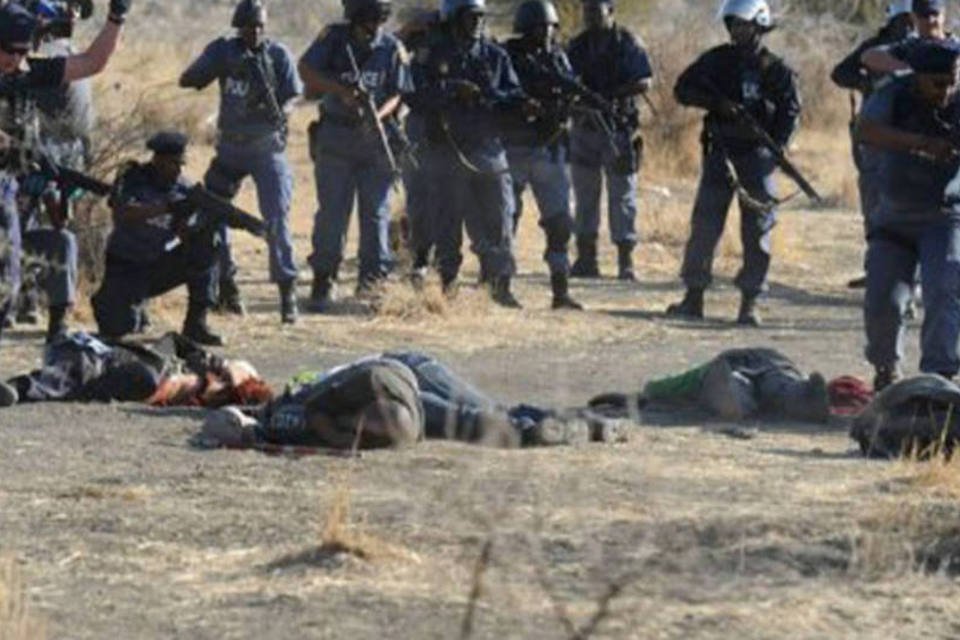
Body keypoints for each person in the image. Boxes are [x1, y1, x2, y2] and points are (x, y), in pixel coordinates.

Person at [0, 0, 131, 342]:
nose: (14, 59)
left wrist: (116, 17)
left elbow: (92, 62)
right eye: (7, 51)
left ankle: (57, 334)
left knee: (61, 244)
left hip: (16, 195)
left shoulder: (29, 72)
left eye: (21, 51)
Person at [666, 0, 800, 326]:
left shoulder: (775, 69)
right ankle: (693, 296)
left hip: (757, 157)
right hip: (720, 154)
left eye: (744, 24)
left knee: (758, 231)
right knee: (705, 226)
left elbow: (791, 111)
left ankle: (749, 302)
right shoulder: (715, 60)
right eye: (734, 24)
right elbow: (682, 90)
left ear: (759, 25)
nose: (738, 30)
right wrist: (716, 104)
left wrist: (775, 148)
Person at [198, 350, 631, 450]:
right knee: (493, 416)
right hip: (399, 378)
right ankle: (588, 421)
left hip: (394, 376)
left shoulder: (289, 399)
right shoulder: (281, 406)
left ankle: (586, 423)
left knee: (488, 422)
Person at [179, 0, 302, 324]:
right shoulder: (225, 51)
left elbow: (294, 95)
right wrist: (220, 65)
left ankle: (287, 292)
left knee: (277, 216)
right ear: (238, 26)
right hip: (231, 148)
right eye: (249, 26)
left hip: (267, 149)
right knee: (213, 213)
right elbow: (188, 79)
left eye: (260, 26)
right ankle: (226, 286)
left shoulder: (278, 55)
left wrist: (279, 110)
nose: (255, 32)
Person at [406, 0, 531, 308]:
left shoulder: (494, 55)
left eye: (480, 17)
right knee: (446, 219)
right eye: (470, 17)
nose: (476, 23)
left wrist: (519, 105)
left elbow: (512, 94)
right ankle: (447, 283)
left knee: (500, 216)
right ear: (454, 19)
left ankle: (499, 284)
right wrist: (451, 90)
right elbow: (414, 93)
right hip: (446, 150)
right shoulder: (431, 54)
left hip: (487, 147)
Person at [855, 42, 960, 390]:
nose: (945, 91)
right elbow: (866, 130)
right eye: (936, 84)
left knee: (944, 289)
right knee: (883, 299)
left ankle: (939, 377)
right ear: (917, 79)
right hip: (894, 217)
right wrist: (921, 143)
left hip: (943, 217)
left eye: (951, 82)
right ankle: (886, 372)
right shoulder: (895, 94)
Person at [298, 0, 410, 311]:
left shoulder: (391, 47)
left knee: (375, 214)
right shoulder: (333, 38)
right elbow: (306, 70)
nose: (373, 28)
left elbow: (399, 92)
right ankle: (324, 277)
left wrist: (380, 115)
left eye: (378, 20)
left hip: (376, 139)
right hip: (336, 137)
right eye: (367, 21)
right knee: (333, 213)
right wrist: (341, 92)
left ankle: (372, 281)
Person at [90, 132, 223, 346]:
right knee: (117, 329)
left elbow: (184, 232)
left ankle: (196, 324)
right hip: (126, 265)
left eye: (181, 164)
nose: (178, 169)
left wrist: (190, 224)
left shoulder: (184, 188)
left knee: (207, 243)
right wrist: (167, 207)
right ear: (158, 160)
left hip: (157, 264)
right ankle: (122, 304)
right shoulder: (132, 179)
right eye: (173, 163)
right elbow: (122, 212)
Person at [502, 0, 582, 310]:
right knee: (507, 218)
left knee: (560, 221)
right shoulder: (509, 57)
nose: (545, 34)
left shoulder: (558, 59)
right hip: (514, 147)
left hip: (550, 148)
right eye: (540, 28)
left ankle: (560, 291)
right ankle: (501, 284)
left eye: (549, 28)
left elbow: (569, 91)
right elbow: (503, 94)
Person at [566, 0, 652, 282]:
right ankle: (586, 258)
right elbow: (564, 79)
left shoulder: (626, 42)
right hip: (585, 127)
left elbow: (644, 80)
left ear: (610, 12)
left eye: (596, 12)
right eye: (586, 12)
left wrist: (613, 95)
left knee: (622, 196)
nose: (590, 17)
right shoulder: (578, 45)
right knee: (585, 195)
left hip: (618, 128)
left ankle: (625, 261)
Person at [831, 1, 915, 289]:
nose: (906, 26)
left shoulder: (929, 46)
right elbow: (840, 73)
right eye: (902, 20)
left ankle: (912, 274)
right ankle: (876, 267)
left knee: (915, 204)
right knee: (874, 204)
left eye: (910, 19)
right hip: (877, 138)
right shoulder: (876, 46)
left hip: (916, 139)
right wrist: (868, 83)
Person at [0, 330, 271, 408]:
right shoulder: (192, 366)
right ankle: (20, 387)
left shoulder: (160, 382)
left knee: (89, 372)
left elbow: (84, 375)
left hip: (93, 360)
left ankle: (19, 388)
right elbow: (173, 339)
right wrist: (221, 364)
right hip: (82, 344)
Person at [589, 347, 831, 423]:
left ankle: (736, 396)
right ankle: (801, 397)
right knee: (782, 389)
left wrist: (650, 391)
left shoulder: (700, 376)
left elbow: (662, 388)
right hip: (776, 366)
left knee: (739, 390)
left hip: (732, 369)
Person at [860, 0, 960, 76]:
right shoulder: (908, 47)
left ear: (943, 15)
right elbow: (868, 56)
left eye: (934, 14)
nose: (930, 20)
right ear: (913, 17)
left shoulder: (956, 46)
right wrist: (907, 70)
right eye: (924, 15)